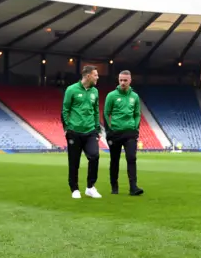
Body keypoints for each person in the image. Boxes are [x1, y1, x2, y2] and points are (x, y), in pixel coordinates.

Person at [61, 65, 102, 199]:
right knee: (74, 161)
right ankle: (74, 189)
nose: (97, 77)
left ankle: (90, 187)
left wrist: (97, 128)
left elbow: (96, 111)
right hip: (74, 131)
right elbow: (65, 110)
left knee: (94, 156)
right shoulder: (71, 90)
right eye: (95, 75)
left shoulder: (95, 92)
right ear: (88, 75)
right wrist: (67, 128)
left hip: (90, 131)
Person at [103, 70, 144, 196]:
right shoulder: (111, 96)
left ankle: (133, 187)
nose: (122, 82)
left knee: (131, 158)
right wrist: (109, 129)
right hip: (115, 132)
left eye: (125, 80)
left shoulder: (135, 97)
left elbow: (137, 114)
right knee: (114, 160)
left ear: (130, 81)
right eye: (120, 80)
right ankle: (114, 186)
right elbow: (106, 113)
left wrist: (135, 127)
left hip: (130, 133)